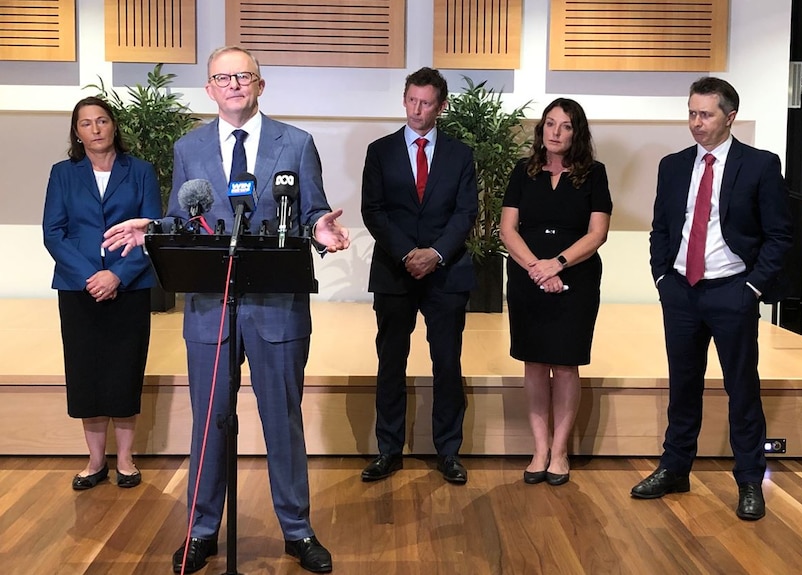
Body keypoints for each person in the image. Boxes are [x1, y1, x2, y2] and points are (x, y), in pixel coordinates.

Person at [106, 46, 349, 574]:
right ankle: (201, 530)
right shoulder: (188, 146)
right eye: (223, 77)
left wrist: (322, 232)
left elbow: (312, 212)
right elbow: (180, 217)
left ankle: (297, 530)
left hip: (277, 306)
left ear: (261, 85)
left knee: (282, 420)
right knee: (209, 420)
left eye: (244, 76)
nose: (234, 84)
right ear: (210, 90)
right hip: (210, 306)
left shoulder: (297, 143)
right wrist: (153, 228)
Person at [630, 77, 792, 521]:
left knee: (742, 389)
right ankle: (675, 467)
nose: (696, 123)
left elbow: (779, 235)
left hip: (732, 291)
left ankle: (749, 481)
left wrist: (752, 288)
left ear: (730, 116)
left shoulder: (759, 164)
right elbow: (662, 227)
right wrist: (662, 277)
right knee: (683, 386)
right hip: (681, 291)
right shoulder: (673, 165)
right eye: (691, 113)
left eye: (705, 114)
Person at [359, 67, 478, 485]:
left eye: (426, 102)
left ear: (440, 107)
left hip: (446, 272)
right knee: (391, 361)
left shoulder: (461, 154)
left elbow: (466, 213)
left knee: (447, 362)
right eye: (411, 100)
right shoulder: (380, 150)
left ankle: (448, 451)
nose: (417, 109)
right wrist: (409, 253)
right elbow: (372, 211)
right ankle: (388, 450)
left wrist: (437, 253)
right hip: (395, 270)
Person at [42, 96, 161, 491]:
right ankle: (95, 460)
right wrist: (92, 276)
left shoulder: (141, 171)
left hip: (128, 287)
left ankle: (125, 458)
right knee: (86, 371)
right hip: (79, 288)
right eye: (86, 123)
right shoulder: (63, 173)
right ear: (76, 132)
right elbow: (53, 233)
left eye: (102, 121)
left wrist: (117, 276)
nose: (95, 129)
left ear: (113, 126)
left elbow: (152, 232)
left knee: (124, 368)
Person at [499, 98, 612, 486]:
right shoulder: (522, 171)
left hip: (575, 277)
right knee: (534, 362)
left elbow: (597, 233)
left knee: (565, 365)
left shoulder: (594, 174)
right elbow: (507, 229)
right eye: (550, 124)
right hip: (528, 276)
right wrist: (536, 268)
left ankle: (561, 452)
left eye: (565, 126)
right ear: (541, 129)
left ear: (576, 132)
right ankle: (540, 450)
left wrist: (557, 264)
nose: (555, 132)